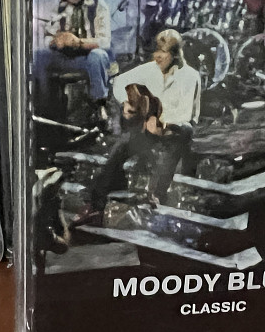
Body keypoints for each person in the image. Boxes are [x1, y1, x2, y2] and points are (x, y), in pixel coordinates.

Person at [72, 30, 201, 228]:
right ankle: (96, 204)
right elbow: (119, 82)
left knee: (183, 132)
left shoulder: (190, 76)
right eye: (156, 51)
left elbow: (186, 113)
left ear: (175, 55)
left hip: (175, 129)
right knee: (121, 146)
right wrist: (128, 102)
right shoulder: (150, 69)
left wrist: (161, 122)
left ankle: (157, 195)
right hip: (150, 129)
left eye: (163, 52)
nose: (157, 56)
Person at [37, 0, 113, 115]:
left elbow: (105, 42)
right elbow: (47, 37)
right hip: (65, 58)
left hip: (88, 58)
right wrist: (55, 41)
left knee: (97, 56)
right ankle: (46, 106)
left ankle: (99, 106)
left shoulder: (98, 5)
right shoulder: (59, 8)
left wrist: (78, 42)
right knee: (39, 56)